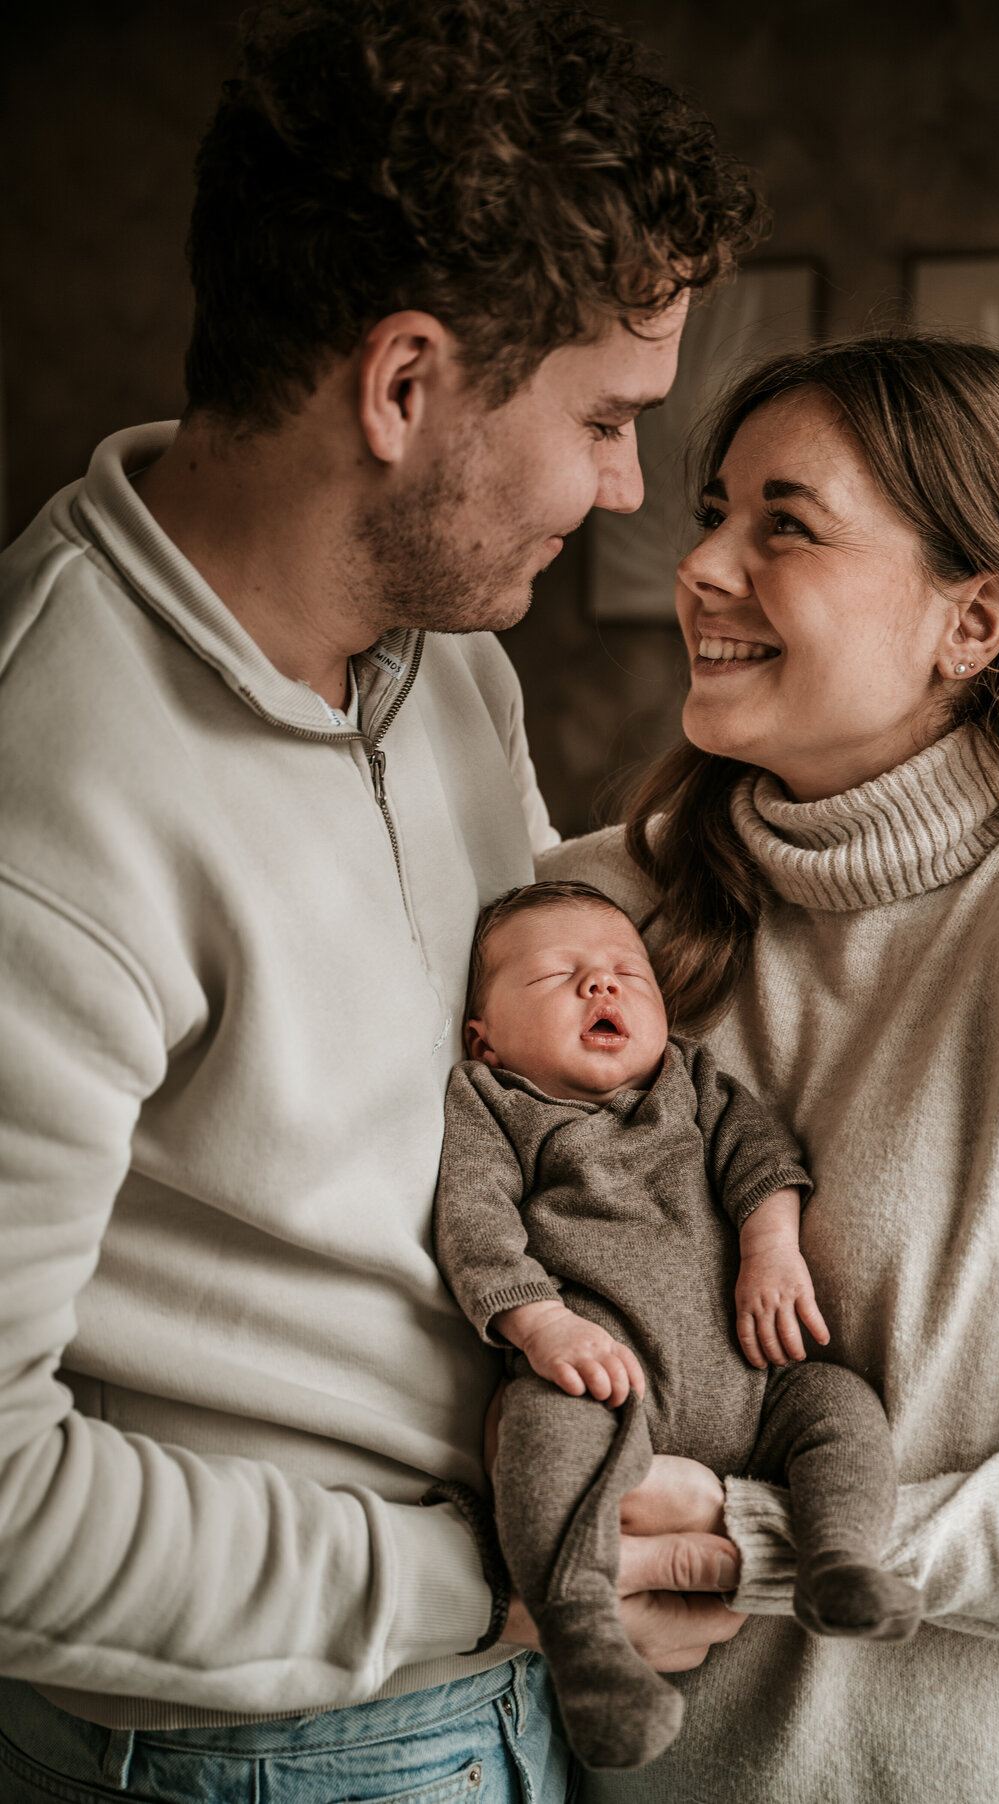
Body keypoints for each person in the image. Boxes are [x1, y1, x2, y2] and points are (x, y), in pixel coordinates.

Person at [0, 2, 763, 1799]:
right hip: (269, 1744)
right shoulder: (48, 798)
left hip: (495, 1675)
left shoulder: (443, 655)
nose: (626, 488)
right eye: (604, 418)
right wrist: (492, 1575)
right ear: (405, 384)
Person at [540, 332, 999, 1802]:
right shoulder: (587, 917)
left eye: (788, 524)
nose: (703, 567)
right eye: (716, 511)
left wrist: (760, 1542)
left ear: (976, 621)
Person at [434, 878, 921, 1769]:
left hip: (756, 1379)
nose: (602, 986)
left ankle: (839, 1555)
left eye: (628, 974)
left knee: (841, 1406)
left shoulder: (691, 1079)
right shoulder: (495, 1105)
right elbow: (475, 1225)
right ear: (485, 1038)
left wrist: (772, 1251)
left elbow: (762, 1161)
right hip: (605, 1379)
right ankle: (585, 1640)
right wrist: (542, 1327)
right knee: (544, 1439)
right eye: (558, 977)